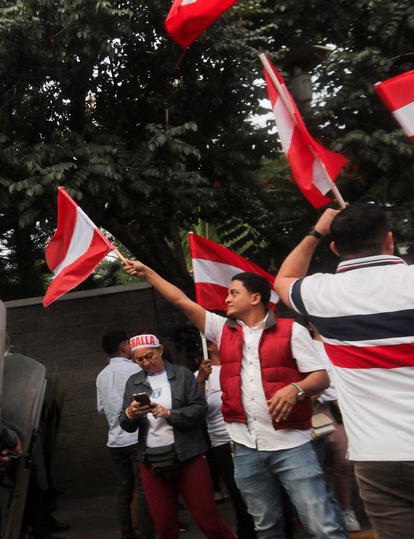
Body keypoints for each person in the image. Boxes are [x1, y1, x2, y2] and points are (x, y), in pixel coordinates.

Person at [123, 263, 345, 539]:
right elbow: (181, 300)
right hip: (245, 449)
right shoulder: (220, 330)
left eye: (233, 293)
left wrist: (295, 389)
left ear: (255, 298)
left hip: (292, 445)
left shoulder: (292, 331)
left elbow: (321, 378)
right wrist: (149, 273)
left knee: (320, 524)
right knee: (266, 527)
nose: (226, 299)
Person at [274, 202, 414, 539]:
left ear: (335, 248)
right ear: (389, 240)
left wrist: (316, 231)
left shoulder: (322, 294)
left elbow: (284, 279)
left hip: (378, 458)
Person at [119, 334, 236, 539]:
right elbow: (126, 424)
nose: (146, 363)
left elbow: (200, 411)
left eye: (150, 356)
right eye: (139, 360)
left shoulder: (182, 375)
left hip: (188, 456)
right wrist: (131, 413)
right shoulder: (133, 382)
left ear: (161, 350)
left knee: (210, 524)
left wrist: (170, 414)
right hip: (151, 460)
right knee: (165, 529)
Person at [97, 330, 156, 539]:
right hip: (135, 438)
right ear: (124, 346)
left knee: (123, 490)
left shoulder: (101, 375)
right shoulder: (135, 369)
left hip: (114, 442)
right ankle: (148, 532)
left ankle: (127, 533)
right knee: (143, 489)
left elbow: (101, 408)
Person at [196, 341, 257, 539]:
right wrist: (201, 381)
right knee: (242, 502)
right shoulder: (199, 375)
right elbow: (196, 410)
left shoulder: (244, 365)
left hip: (254, 438)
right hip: (224, 445)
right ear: (210, 347)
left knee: (265, 498)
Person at [306, 324, 361, 533]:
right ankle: (328, 512)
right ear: (310, 325)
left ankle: (346, 509)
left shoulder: (340, 343)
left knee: (344, 460)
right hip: (321, 408)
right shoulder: (309, 346)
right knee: (316, 463)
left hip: (347, 408)